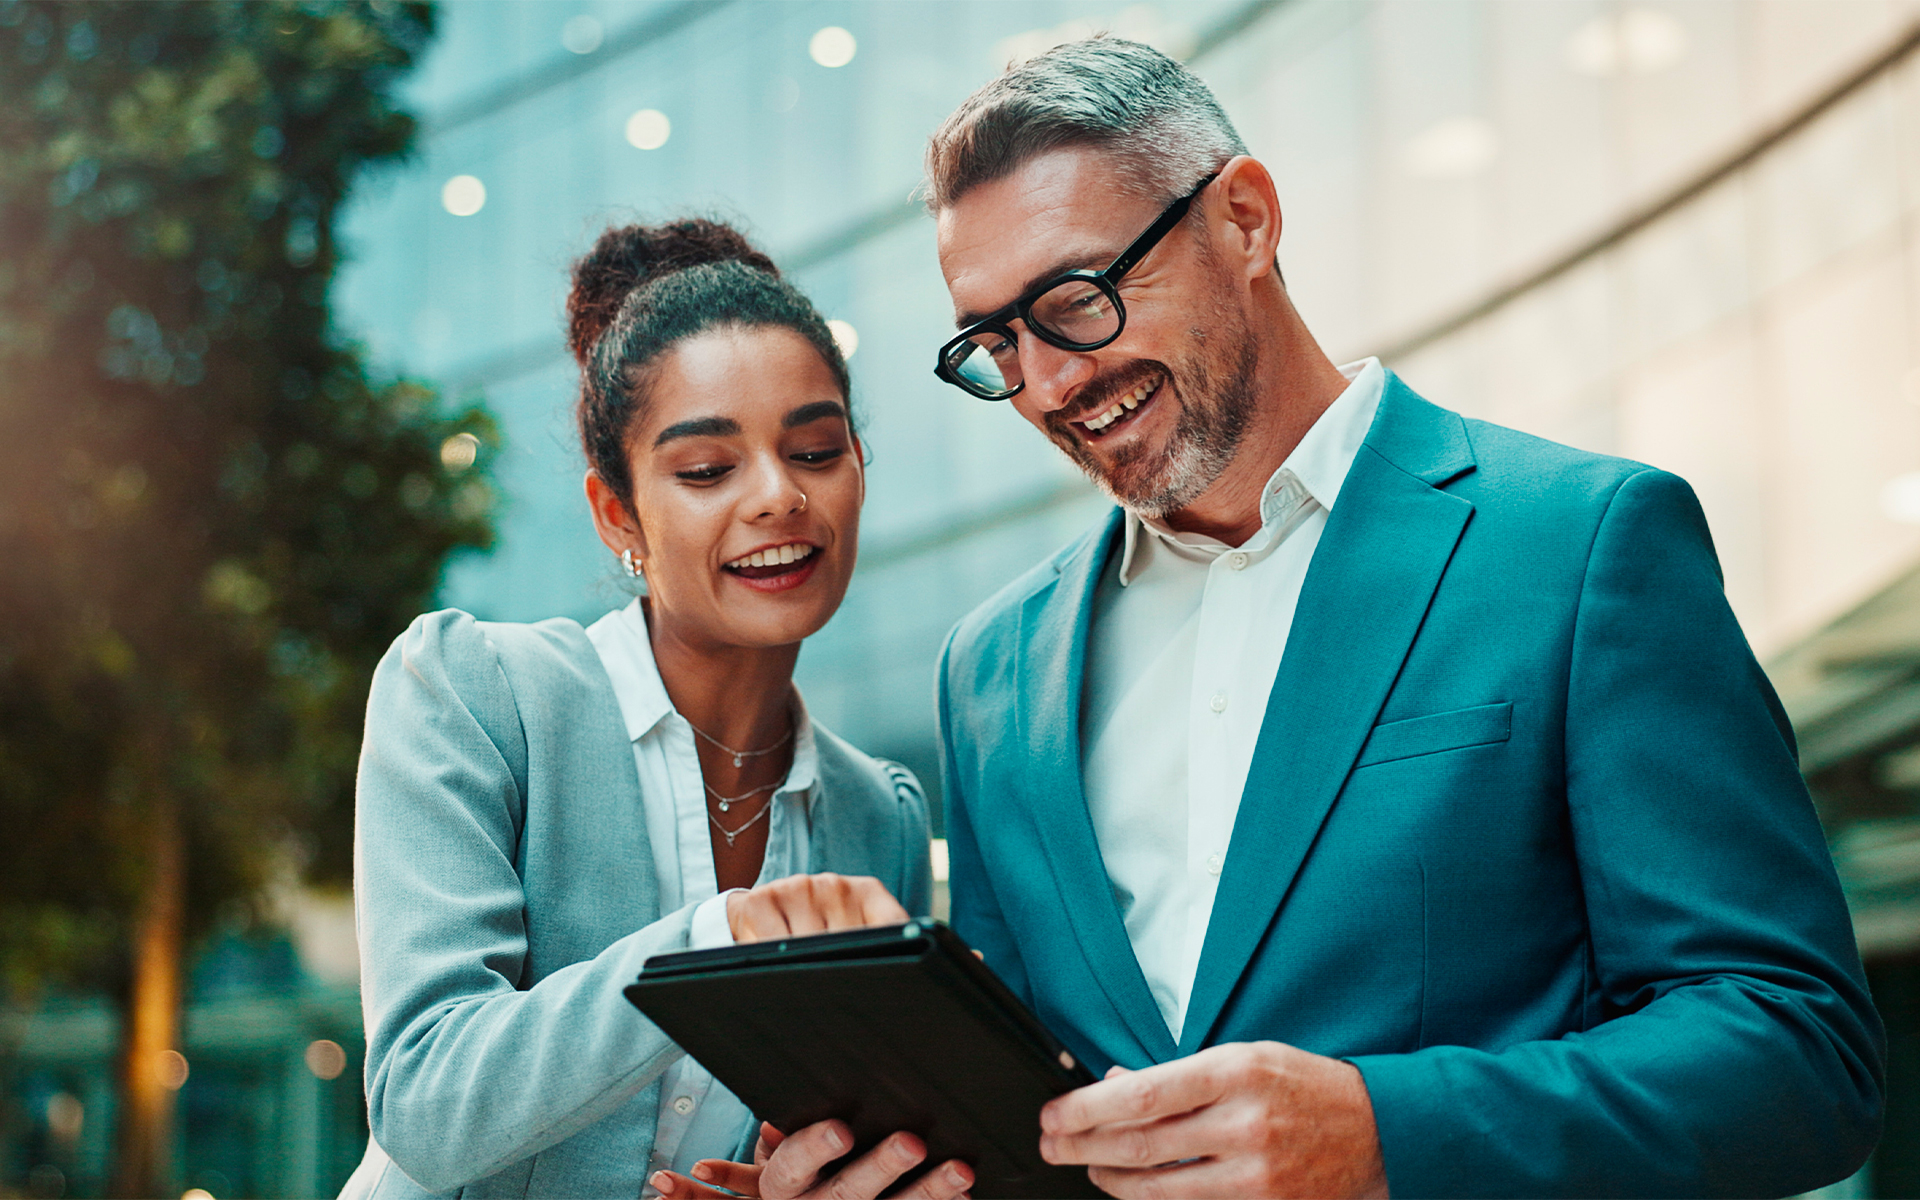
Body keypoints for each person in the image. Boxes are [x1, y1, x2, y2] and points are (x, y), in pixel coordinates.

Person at [742, 36, 1887, 1200]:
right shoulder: (993, 668)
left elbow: (1798, 1048)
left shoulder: (1583, 544)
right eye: (995, 342)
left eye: (1075, 301)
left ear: (1244, 219)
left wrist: (1391, 1134)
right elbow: (1039, 1114)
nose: (1045, 384)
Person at [340, 220, 972, 1200]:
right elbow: (428, 1101)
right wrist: (715, 944)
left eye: (814, 449)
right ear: (618, 514)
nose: (778, 497)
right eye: (707, 469)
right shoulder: (474, 693)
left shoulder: (876, 816)